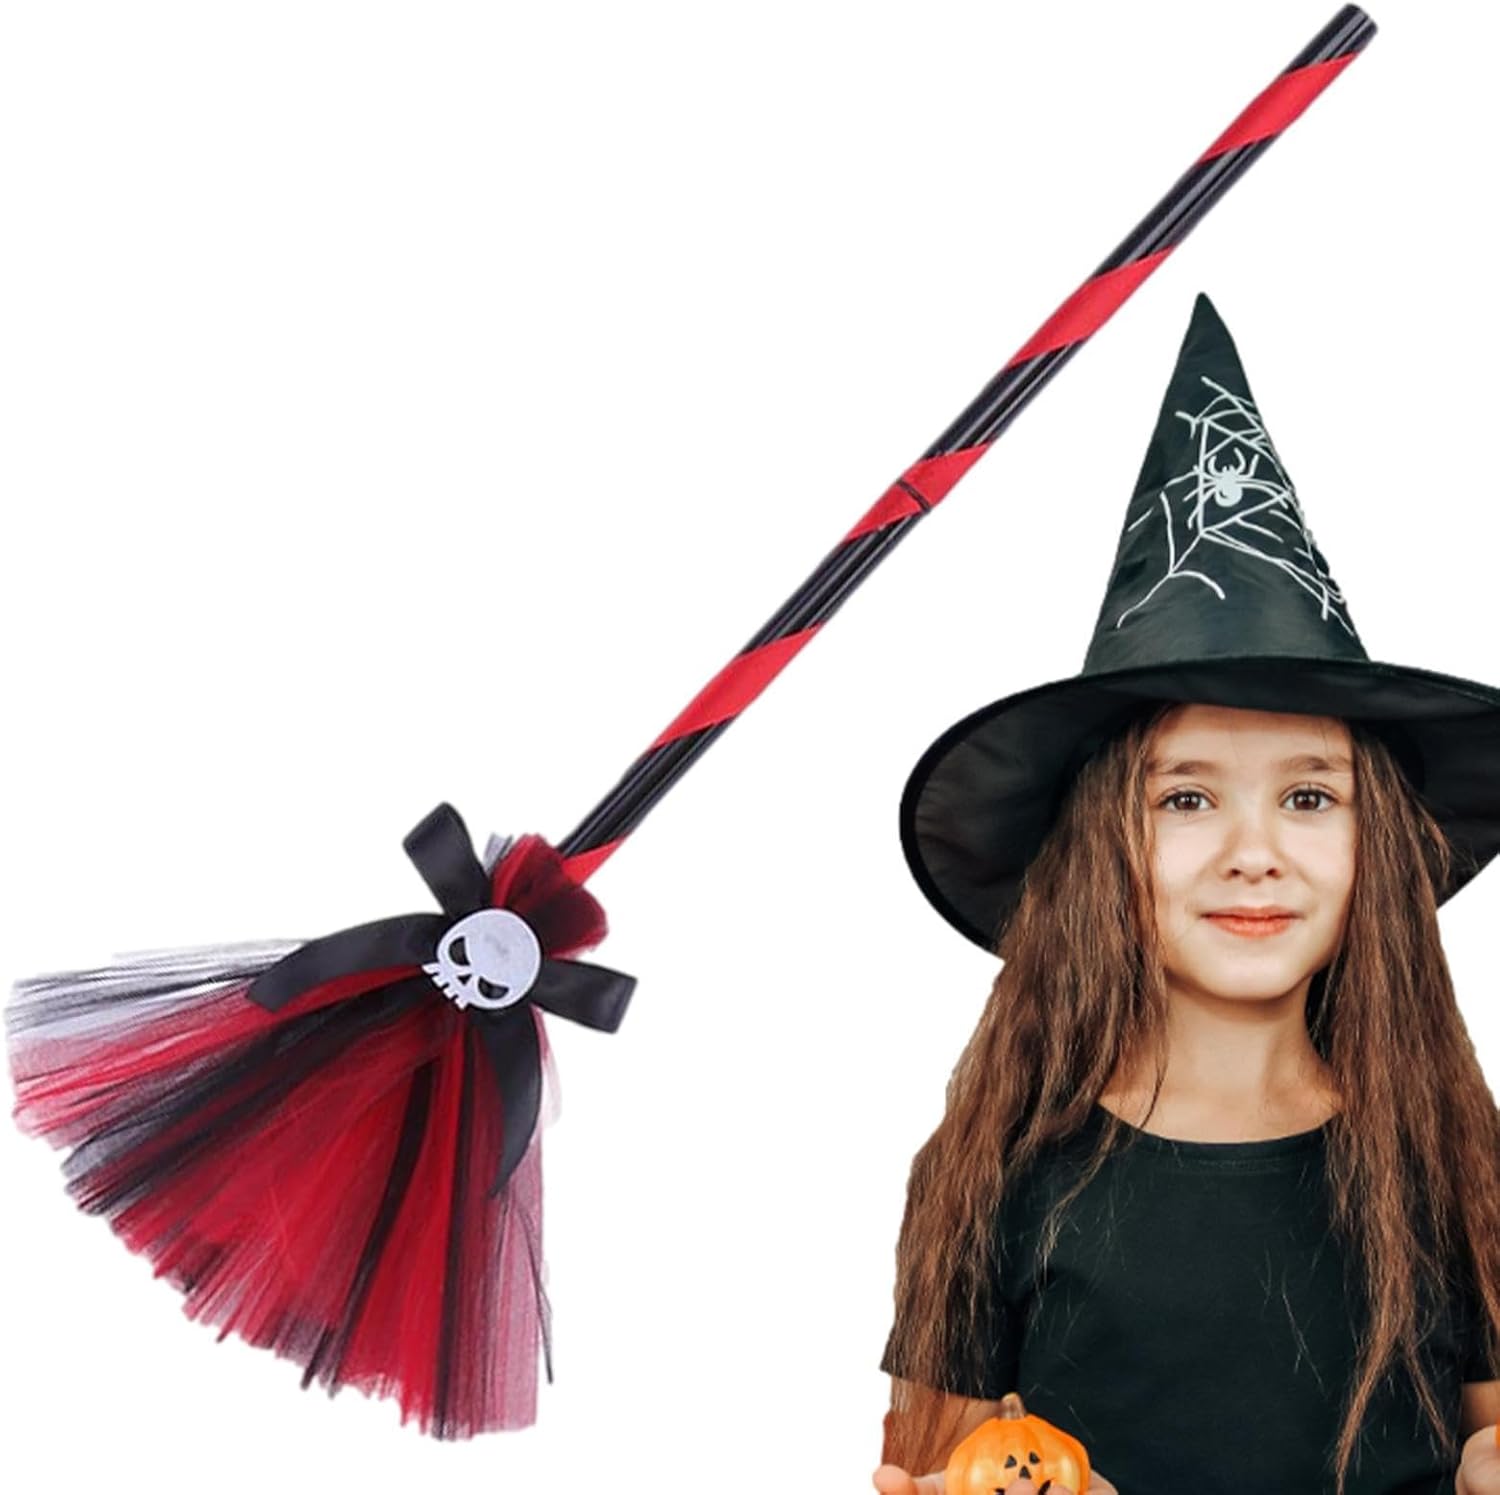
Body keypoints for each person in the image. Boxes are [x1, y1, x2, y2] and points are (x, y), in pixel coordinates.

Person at [869, 296, 1500, 1495]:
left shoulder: (1456, 1165)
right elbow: (941, 1466)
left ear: (1378, 847)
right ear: (1099, 851)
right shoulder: (998, 1177)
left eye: (1308, 796)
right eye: (1187, 798)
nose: (1254, 853)